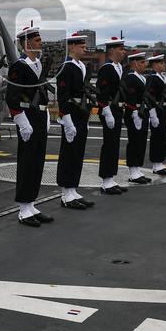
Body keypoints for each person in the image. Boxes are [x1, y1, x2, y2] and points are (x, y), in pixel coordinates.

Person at [5, 25, 54, 227]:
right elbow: (12, 97)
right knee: (27, 162)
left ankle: (32, 203)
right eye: (36, 40)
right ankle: (24, 209)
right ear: (26, 44)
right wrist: (20, 120)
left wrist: (47, 112)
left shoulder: (39, 65)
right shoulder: (19, 66)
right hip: (28, 118)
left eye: (40, 39)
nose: (40, 42)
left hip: (40, 116)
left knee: (38, 161)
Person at [55, 33, 95, 209]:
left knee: (78, 153)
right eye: (80, 45)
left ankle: (73, 189)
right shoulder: (67, 67)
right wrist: (66, 119)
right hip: (71, 114)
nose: (84, 48)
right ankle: (66, 193)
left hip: (81, 114)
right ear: (71, 47)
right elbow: (63, 97)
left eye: (84, 45)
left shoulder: (82, 67)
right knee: (69, 154)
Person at [96, 37, 129, 195]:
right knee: (109, 144)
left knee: (114, 144)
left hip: (117, 109)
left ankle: (111, 178)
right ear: (112, 50)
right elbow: (101, 93)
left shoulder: (119, 67)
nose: (124, 52)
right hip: (109, 109)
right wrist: (106, 110)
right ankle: (105, 180)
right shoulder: (107, 68)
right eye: (121, 49)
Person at [122, 50, 152, 184]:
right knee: (134, 140)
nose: (144, 64)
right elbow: (130, 96)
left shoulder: (142, 78)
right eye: (142, 62)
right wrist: (134, 112)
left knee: (141, 141)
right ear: (134, 63)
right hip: (134, 111)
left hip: (142, 111)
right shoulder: (130, 77)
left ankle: (137, 168)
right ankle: (132, 170)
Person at [145, 54, 166, 177]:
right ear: (155, 65)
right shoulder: (152, 78)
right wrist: (152, 114)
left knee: (163, 135)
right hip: (157, 108)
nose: (164, 65)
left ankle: (160, 161)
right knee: (157, 136)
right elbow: (149, 96)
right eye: (161, 63)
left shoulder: (163, 78)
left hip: (164, 108)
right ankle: (156, 163)